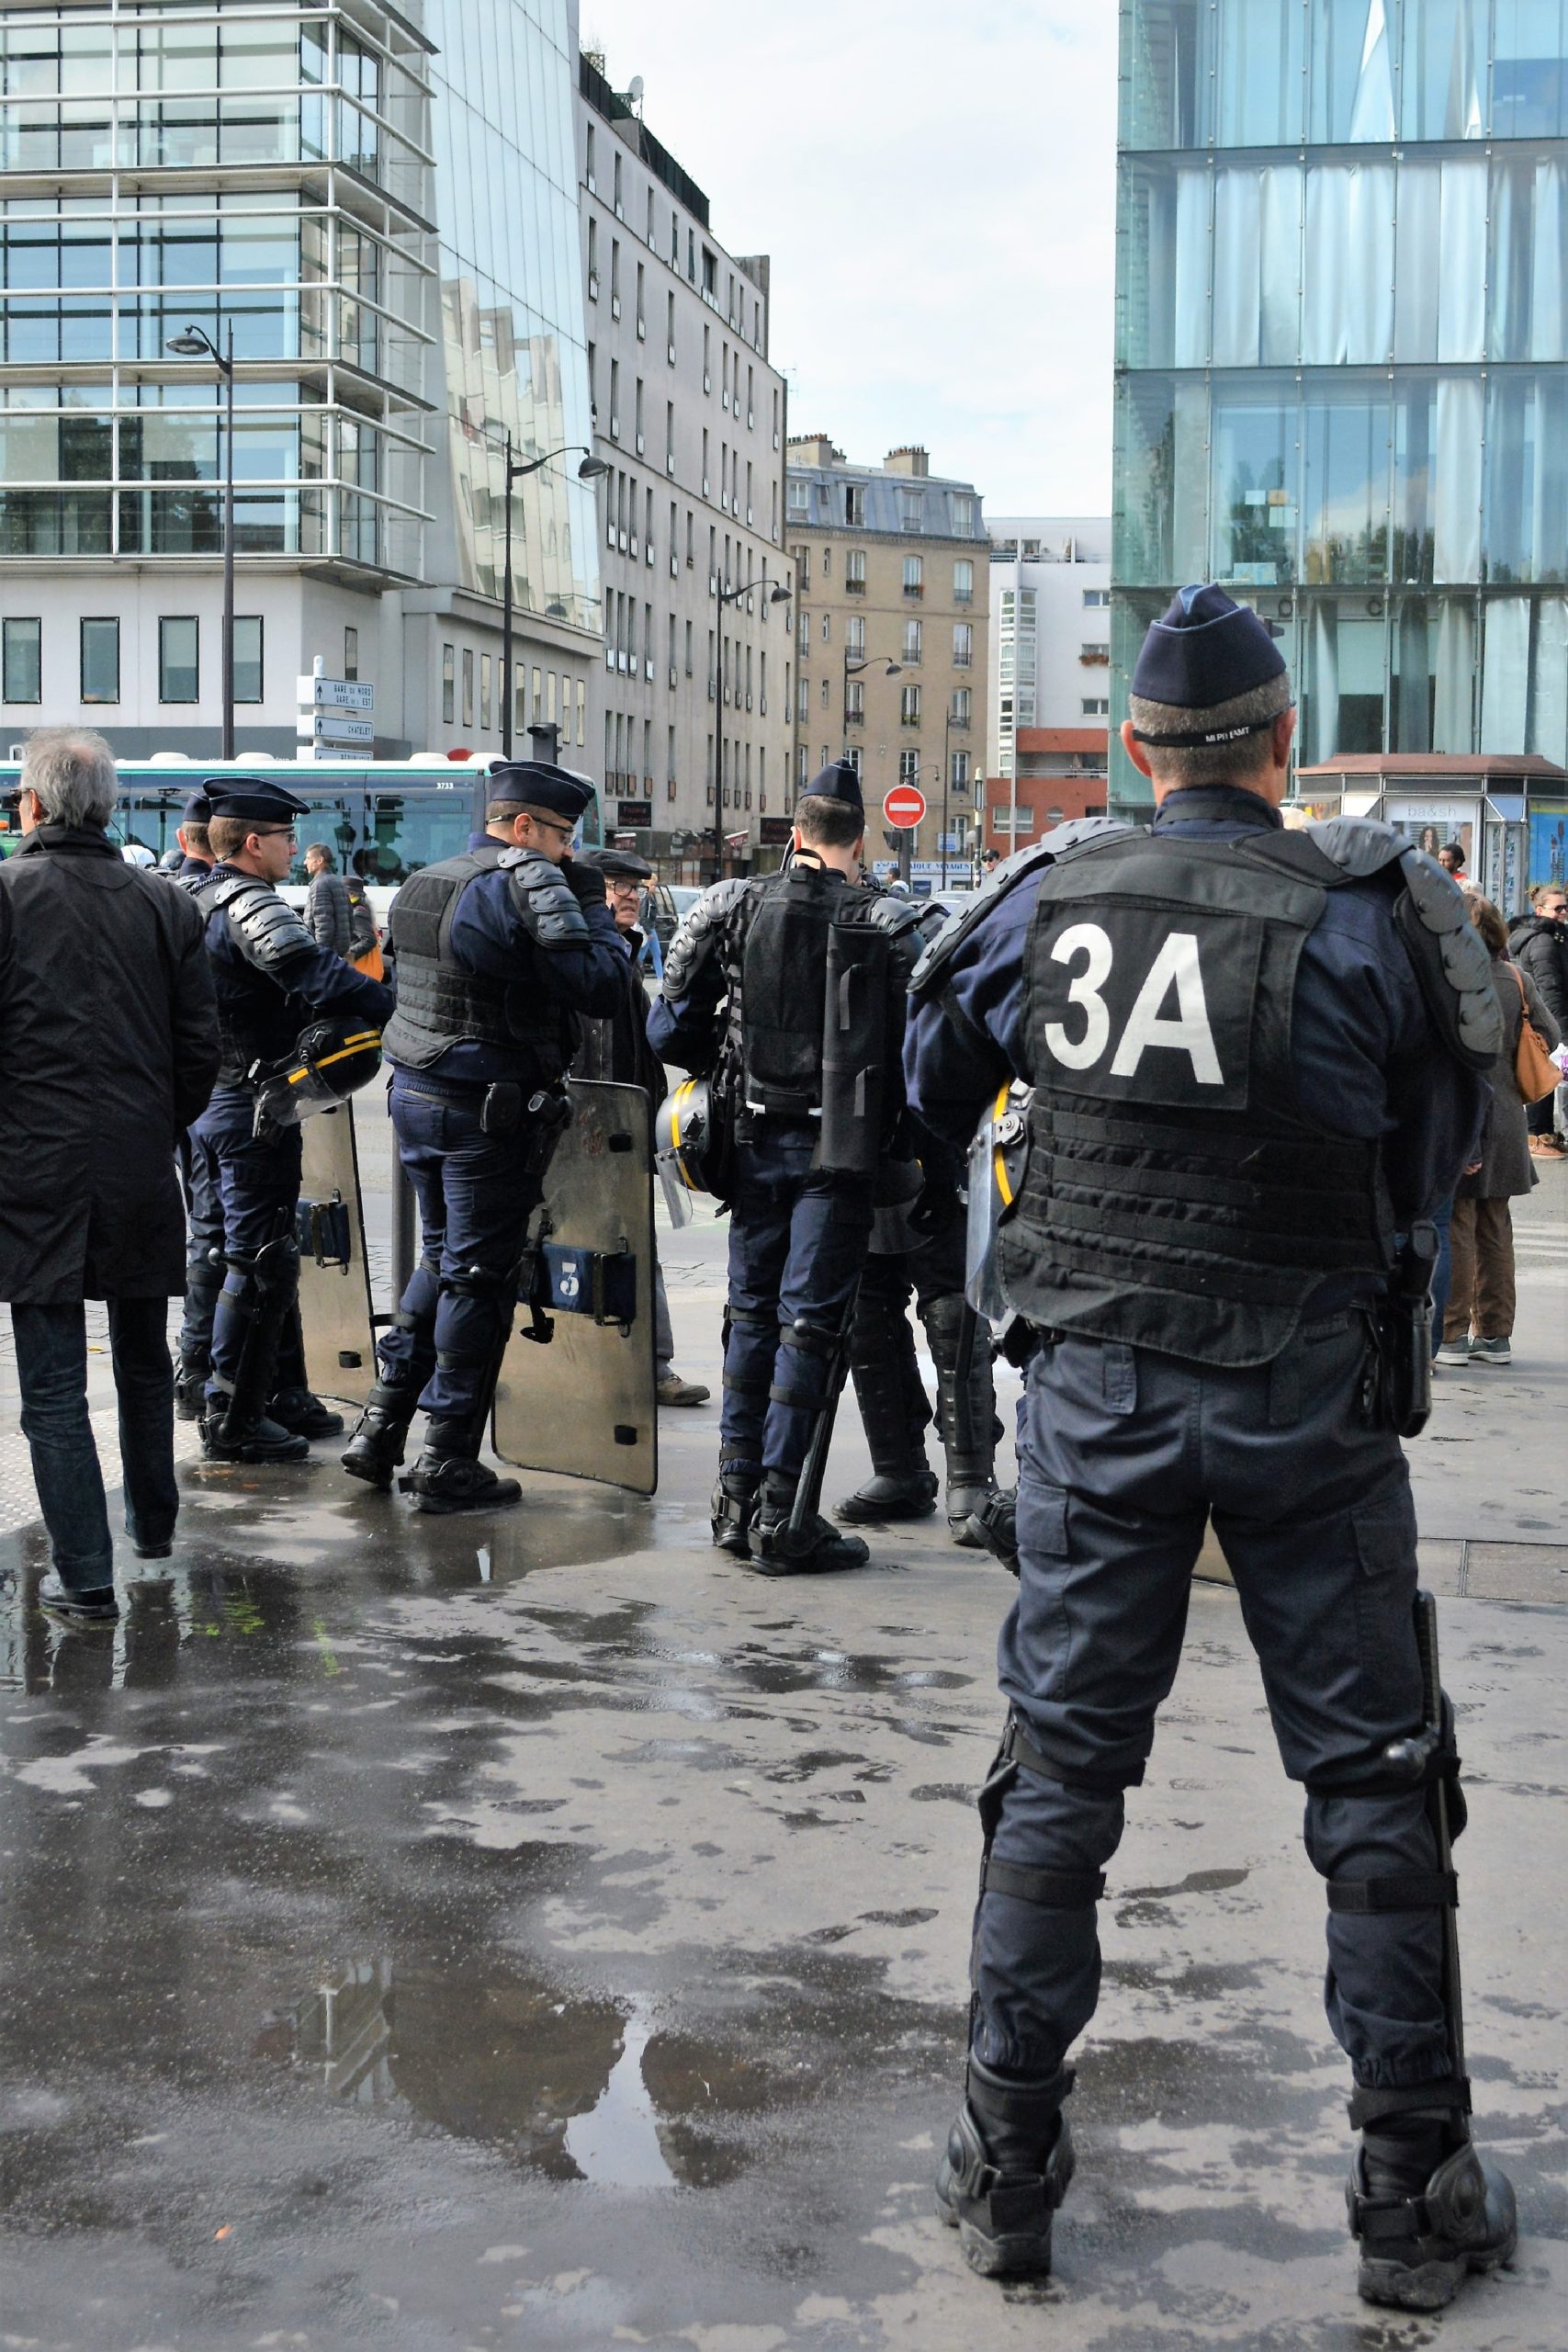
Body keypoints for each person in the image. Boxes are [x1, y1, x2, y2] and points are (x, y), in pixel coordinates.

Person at [905, 584, 1515, 2310]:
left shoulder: (1048, 893)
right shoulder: (1378, 910)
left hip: (1096, 1401)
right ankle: (1413, 2192)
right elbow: (1443, 1153)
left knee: (1058, 1777)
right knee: (1376, 1784)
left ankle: (1007, 2164)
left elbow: (924, 1082)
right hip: (1308, 1396)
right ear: (1280, 744)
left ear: (1134, 747)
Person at [649, 758, 928, 1575]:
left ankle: (733, 1505)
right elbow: (925, 1050)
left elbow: (670, 1029)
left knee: (750, 1314)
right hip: (840, 1150)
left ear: (795, 832)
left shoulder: (733, 902)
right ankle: (782, 1513)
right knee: (810, 1322)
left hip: (747, 1140)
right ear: (859, 835)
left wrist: (729, 1067)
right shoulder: (891, 918)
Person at [341, 759, 626, 1513]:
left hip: (416, 1094)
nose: (570, 851)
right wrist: (594, 907)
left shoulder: (426, 879)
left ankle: (379, 1427)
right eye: (563, 834)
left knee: (441, 1260)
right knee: (477, 1278)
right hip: (485, 1108)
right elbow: (602, 986)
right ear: (523, 826)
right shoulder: (528, 882)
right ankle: (445, 1460)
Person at [0, 730, 219, 1623]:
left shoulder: (8, 895)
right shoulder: (166, 904)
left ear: (35, 806)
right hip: (136, 1161)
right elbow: (201, 1050)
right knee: (139, 1358)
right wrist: (151, 1126)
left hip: (33, 1169)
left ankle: (86, 1576)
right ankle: (153, 1527)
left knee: (51, 1383)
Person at [186, 781, 395, 1463]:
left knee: (246, 1252)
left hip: (215, 1101)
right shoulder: (249, 901)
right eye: (281, 838)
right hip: (251, 1105)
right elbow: (312, 973)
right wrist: (389, 1001)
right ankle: (233, 1415)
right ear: (253, 843)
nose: (289, 850)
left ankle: (272, 1394)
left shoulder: (196, 896)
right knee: (258, 1259)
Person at [572, 845, 709, 1408]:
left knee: (633, 1242)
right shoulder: (590, 953)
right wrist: (596, 1123)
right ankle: (634, 1367)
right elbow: (597, 1048)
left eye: (635, 886)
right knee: (597, 1244)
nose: (629, 895)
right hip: (594, 1128)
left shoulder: (622, 951)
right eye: (615, 885)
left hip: (625, 1125)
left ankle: (649, 1365)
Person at [1435, 891, 1561, 1370]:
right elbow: (1548, 1035)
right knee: (1496, 1227)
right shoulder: (1516, 978)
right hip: (1507, 1118)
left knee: (1457, 1225)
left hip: (1460, 1115)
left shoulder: (1448, 982)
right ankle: (1495, 1334)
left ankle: (1450, 1335)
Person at [1508, 880, 1568, 1159]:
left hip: (1547, 1019)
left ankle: (1544, 1135)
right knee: (1543, 1075)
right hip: (1547, 1020)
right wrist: (1563, 1030)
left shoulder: (1555, 936)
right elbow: (1550, 989)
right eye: (1557, 908)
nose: (1563, 913)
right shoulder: (1544, 940)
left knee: (1547, 1074)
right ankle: (1537, 1137)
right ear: (1540, 909)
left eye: (1565, 908)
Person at [303, 841, 353, 955]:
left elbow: (323, 923)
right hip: (339, 951)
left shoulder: (320, 885)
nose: (305, 862)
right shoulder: (338, 882)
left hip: (326, 953)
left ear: (320, 861)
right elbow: (350, 919)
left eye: (308, 858)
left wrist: (319, 954)